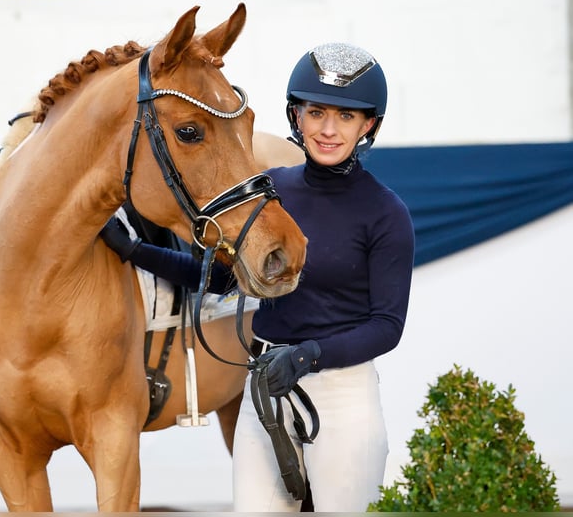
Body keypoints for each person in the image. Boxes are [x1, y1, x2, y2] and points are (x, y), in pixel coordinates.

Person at [100, 42, 415, 512]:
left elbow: (386, 326)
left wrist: (309, 356)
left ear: (368, 125)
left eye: (346, 117)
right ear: (296, 117)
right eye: (316, 112)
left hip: (342, 394)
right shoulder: (272, 191)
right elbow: (226, 281)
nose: (329, 129)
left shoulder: (386, 213)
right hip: (265, 388)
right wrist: (136, 251)